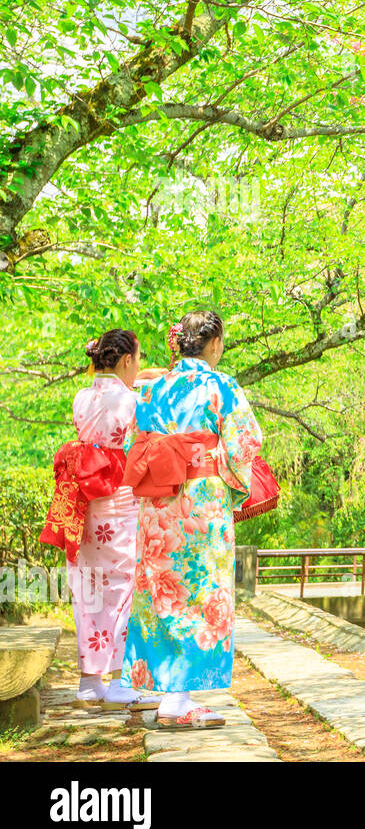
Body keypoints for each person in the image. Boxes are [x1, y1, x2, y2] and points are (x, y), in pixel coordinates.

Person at [119, 311, 262, 728]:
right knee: (197, 594)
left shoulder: (150, 388)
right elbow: (246, 441)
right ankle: (178, 699)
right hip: (200, 505)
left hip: (158, 507)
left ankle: (153, 688)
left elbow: (135, 441)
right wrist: (234, 480)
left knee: (160, 595)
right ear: (214, 344)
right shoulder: (220, 385)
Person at [40, 329, 161, 711]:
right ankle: (120, 680)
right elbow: (146, 436)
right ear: (127, 360)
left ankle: (90, 683)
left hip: (83, 503)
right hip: (119, 502)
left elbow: (117, 394)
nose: (139, 366)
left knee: (88, 589)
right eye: (138, 360)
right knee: (124, 589)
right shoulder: (132, 400)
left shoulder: (81, 396)